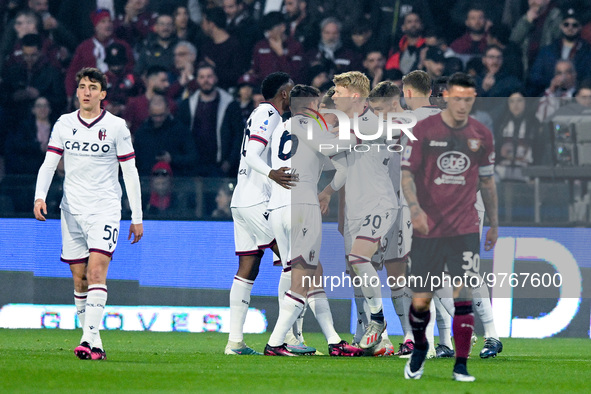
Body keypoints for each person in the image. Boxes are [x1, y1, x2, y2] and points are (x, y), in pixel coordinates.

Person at [33, 67, 143, 361]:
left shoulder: (118, 126)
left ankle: (85, 339)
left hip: (105, 210)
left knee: (96, 273)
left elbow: (129, 172)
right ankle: (95, 343)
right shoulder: (64, 124)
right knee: (79, 279)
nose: (86, 92)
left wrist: (136, 216)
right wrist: (39, 196)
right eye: (82, 86)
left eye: (93, 87)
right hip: (71, 210)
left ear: (102, 95)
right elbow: (49, 163)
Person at [400, 72, 498, 381]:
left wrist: (494, 222)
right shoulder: (422, 128)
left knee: (463, 292)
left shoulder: (481, 134)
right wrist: (415, 209)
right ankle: (422, 345)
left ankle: (462, 362)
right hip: (428, 226)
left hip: (465, 224)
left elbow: (488, 181)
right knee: (421, 299)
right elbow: (407, 174)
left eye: (468, 98)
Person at [264, 84, 363, 357]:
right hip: (301, 205)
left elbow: (327, 160)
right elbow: (331, 147)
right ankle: (276, 342)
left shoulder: (281, 129)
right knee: (303, 277)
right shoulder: (306, 123)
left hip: (278, 206)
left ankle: (333, 340)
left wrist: (329, 186)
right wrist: (357, 133)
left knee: (311, 273)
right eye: (318, 102)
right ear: (310, 105)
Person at [317, 71, 398, 351]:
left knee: (359, 258)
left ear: (354, 95)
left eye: (338, 91)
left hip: (379, 203)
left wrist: (306, 136)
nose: (334, 95)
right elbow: (342, 167)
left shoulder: (368, 123)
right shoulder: (348, 122)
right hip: (355, 207)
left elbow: (332, 147)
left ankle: (378, 320)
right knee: (356, 271)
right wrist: (327, 192)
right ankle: (377, 340)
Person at [225, 72, 295, 355]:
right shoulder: (269, 114)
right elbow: (252, 154)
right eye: (290, 90)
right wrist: (273, 174)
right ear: (284, 94)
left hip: (241, 200)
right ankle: (286, 338)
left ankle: (235, 342)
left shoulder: (261, 113)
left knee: (248, 269)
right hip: (256, 201)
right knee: (294, 263)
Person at [64, 9, 134, 110]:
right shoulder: (84, 47)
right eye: (103, 22)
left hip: (119, 94)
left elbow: (131, 68)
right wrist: (70, 95)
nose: (108, 25)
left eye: (109, 21)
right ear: (95, 26)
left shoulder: (122, 46)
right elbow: (73, 72)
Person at [176, 63, 235, 178]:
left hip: (218, 164)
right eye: (202, 77)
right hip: (193, 165)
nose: (206, 80)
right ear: (197, 80)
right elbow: (180, 134)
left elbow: (237, 135)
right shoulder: (186, 105)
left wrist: (229, 161)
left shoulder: (230, 104)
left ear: (216, 78)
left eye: (209, 76)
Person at [528, 7, 591, 97]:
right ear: (561, 26)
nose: (570, 28)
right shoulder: (547, 51)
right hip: (550, 96)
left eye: (574, 25)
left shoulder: (587, 51)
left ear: (580, 27)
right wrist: (553, 81)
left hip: (576, 100)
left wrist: (573, 83)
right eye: (566, 24)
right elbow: (534, 77)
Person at [133, 94, 197, 177]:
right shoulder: (142, 133)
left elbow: (192, 158)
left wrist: (172, 159)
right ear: (149, 112)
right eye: (155, 115)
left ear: (168, 110)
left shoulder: (180, 130)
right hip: (147, 181)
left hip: (176, 181)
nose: (158, 119)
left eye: (161, 115)